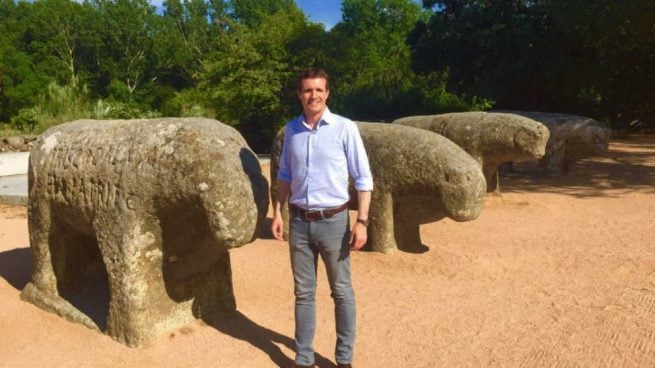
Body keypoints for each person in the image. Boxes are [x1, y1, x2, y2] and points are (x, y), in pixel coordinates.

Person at [271, 67, 373, 368]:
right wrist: (277, 212)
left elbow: (363, 178)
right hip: (299, 222)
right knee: (303, 293)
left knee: (341, 291)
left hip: (334, 223)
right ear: (299, 94)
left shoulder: (344, 128)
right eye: (307, 90)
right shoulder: (292, 130)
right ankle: (303, 358)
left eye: (318, 90)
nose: (313, 95)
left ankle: (344, 360)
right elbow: (285, 174)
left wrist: (362, 221)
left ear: (327, 93)